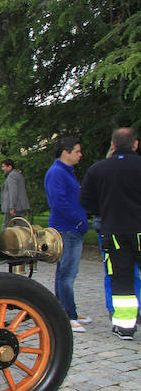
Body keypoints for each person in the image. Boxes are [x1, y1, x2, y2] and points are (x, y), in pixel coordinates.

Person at [80, 128, 141, 340]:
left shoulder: (98, 169)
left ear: (113, 146)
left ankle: (124, 327)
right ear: (136, 144)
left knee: (121, 279)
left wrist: (105, 210)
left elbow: (86, 201)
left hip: (113, 230)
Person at [44, 136, 90, 332]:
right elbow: (58, 201)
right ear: (66, 152)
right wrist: (78, 220)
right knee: (66, 274)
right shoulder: (57, 172)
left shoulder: (65, 172)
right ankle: (67, 316)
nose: (80, 155)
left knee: (66, 272)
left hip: (72, 227)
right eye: (77, 151)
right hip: (67, 228)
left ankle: (65, 311)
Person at [0, 159, 30, 227]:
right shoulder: (18, 175)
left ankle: (4, 237)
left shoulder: (11, 176)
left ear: (10, 167)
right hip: (20, 205)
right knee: (21, 224)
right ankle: (29, 235)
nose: (2, 169)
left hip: (14, 206)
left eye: (4, 166)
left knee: (6, 225)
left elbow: (13, 192)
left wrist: (12, 207)